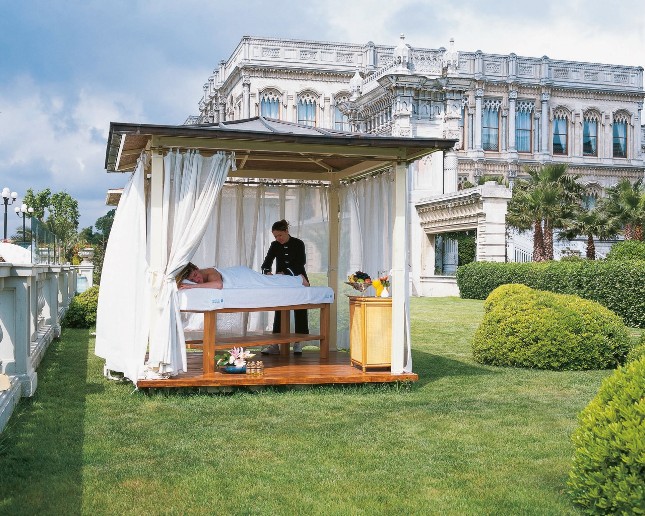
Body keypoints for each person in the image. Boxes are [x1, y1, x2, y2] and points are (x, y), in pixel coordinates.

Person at [260, 219, 309, 355]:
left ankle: (298, 342)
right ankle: (276, 344)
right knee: (279, 310)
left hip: (298, 279)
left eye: (280, 235)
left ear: (286, 231)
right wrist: (267, 272)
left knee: (301, 309)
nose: (278, 238)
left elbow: (301, 262)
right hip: (281, 282)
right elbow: (266, 263)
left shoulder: (298, 243)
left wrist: (285, 272)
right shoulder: (275, 245)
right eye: (275, 236)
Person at [176, 263, 309, 290]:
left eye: (195, 275)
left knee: (269, 282)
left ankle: (299, 279)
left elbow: (218, 285)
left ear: (197, 269)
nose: (196, 280)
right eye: (192, 280)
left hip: (243, 276)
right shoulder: (198, 276)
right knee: (270, 280)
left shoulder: (210, 273)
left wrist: (192, 286)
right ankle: (296, 279)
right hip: (238, 275)